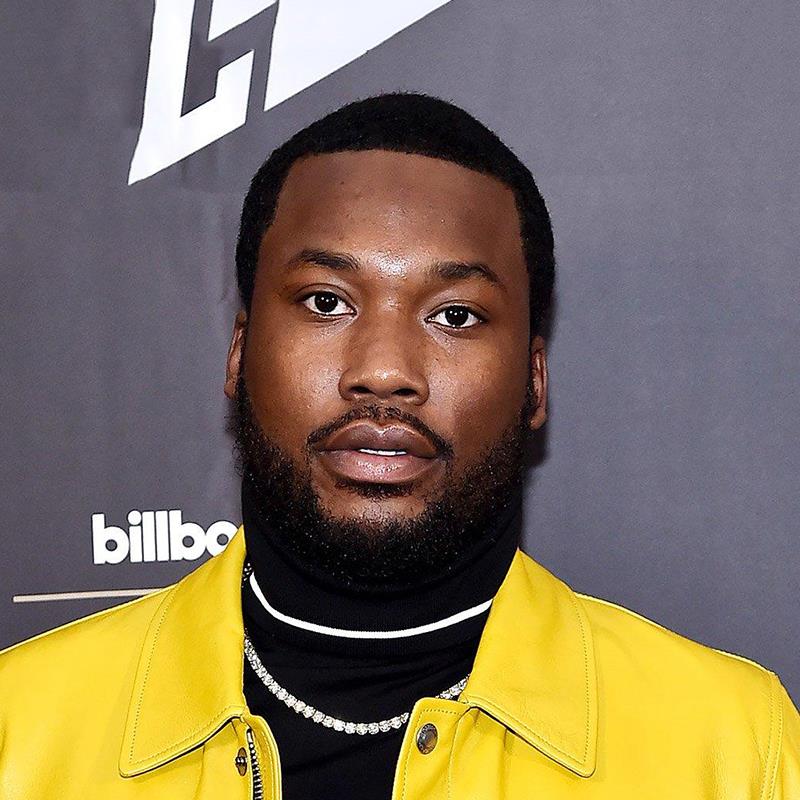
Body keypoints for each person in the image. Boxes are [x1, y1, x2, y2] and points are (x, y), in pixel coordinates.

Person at [0, 93, 797, 799]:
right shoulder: (19, 730)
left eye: (455, 315)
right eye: (326, 301)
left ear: (535, 380)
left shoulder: (733, 750)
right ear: (239, 352)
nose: (384, 371)